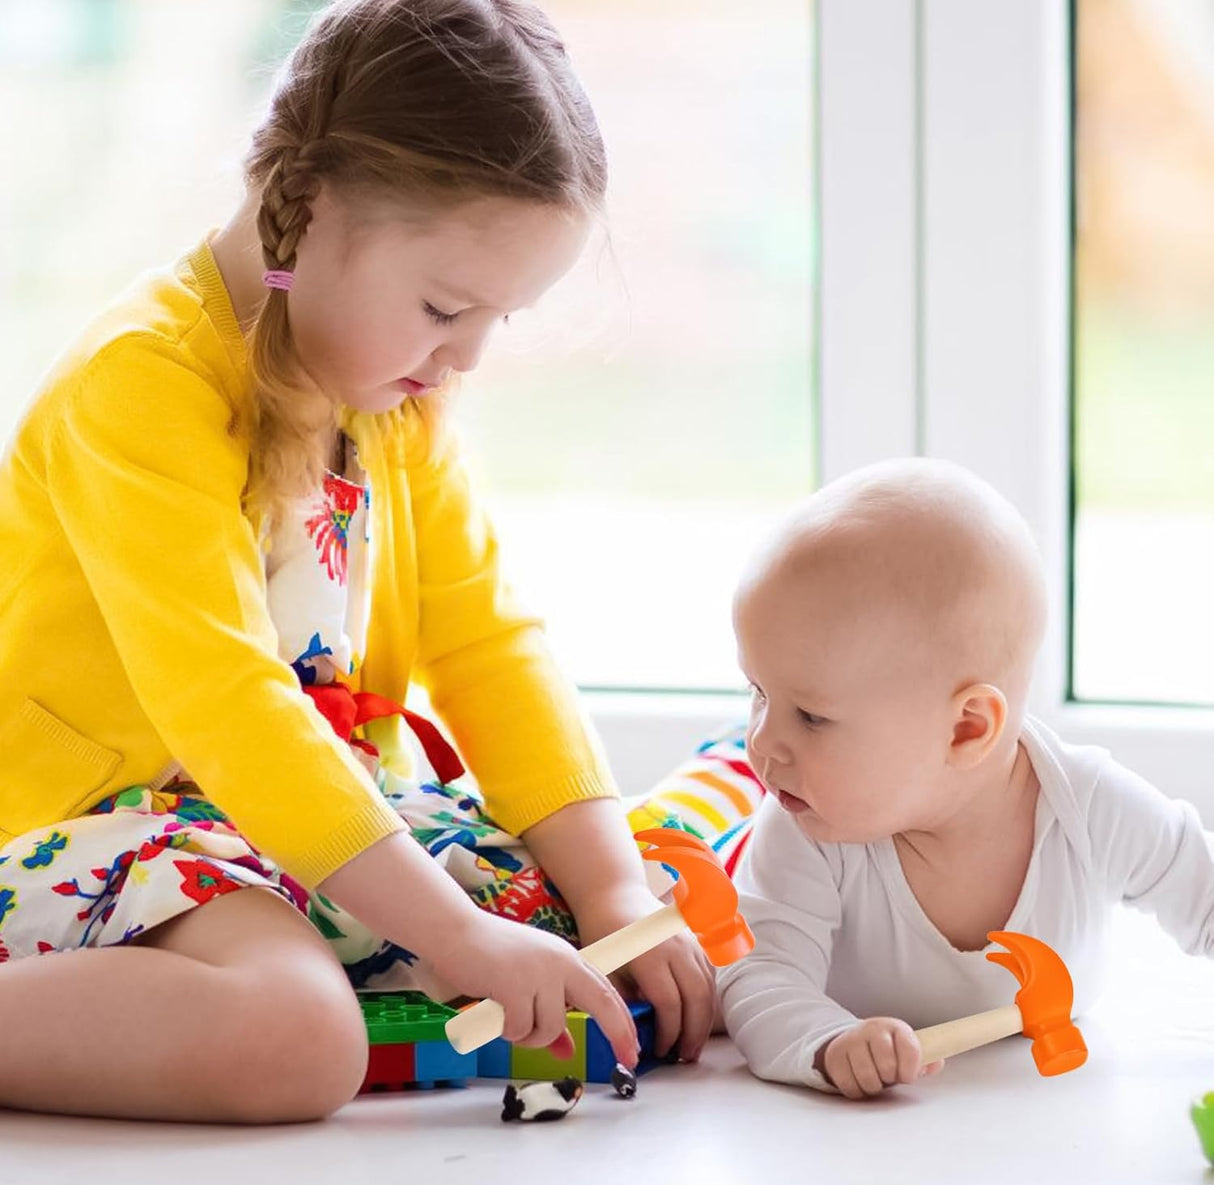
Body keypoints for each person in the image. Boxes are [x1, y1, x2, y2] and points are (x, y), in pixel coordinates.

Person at [0, 0, 715, 1125]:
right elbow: (229, 705)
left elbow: (488, 642)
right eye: (444, 306)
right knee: (296, 1036)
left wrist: (614, 887)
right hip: (115, 825)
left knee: (598, 928)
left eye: (500, 320)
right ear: (311, 210)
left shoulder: (393, 394)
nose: (468, 355)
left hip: (311, 819)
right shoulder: (138, 385)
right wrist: (456, 931)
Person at [716, 457, 1214, 1099]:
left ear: (967, 729)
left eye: (810, 716)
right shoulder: (805, 823)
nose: (764, 742)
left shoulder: (1087, 807)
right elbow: (758, 974)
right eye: (757, 693)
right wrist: (827, 1041)